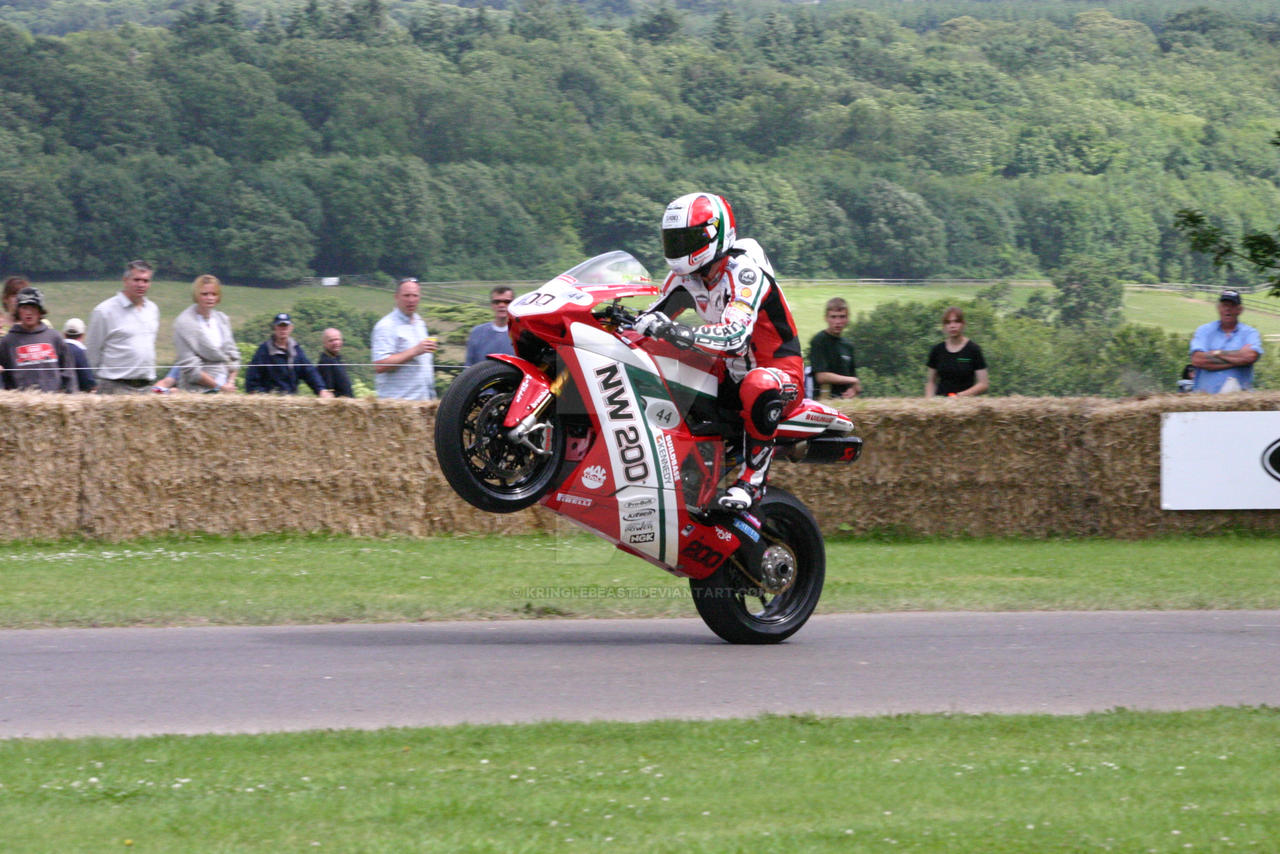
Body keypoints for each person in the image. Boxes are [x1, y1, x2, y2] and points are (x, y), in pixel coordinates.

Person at [633, 191, 803, 512]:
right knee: (655, 354)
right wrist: (613, 322)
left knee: (758, 383)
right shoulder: (688, 278)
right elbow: (652, 320)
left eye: (687, 239)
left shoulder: (744, 272)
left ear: (713, 234)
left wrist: (680, 332)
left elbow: (736, 337)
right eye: (674, 240)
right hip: (727, 369)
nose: (679, 248)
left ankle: (752, 481)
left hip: (778, 371)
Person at [86, 260, 160, 394]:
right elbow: (92, 352)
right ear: (125, 280)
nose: (141, 285)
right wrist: (98, 382)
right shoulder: (104, 311)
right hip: (115, 387)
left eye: (145, 281)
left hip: (146, 387)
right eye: (136, 279)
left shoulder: (153, 310)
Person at [172, 274, 240, 393]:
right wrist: (219, 387)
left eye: (214, 294)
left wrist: (230, 382)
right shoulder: (183, 323)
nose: (210, 298)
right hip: (195, 391)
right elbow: (190, 367)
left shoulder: (222, 319)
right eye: (205, 294)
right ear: (196, 296)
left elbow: (233, 354)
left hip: (225, 389)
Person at [372, 277, 437, 400]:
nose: (411, 300)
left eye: (415, 296)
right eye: (406, 296)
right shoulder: (386, 326)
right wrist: (415, 351)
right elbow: (380, 365)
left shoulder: (420, 323)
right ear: (396, 297)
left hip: (424, 402)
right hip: (399, 405)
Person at [0, 287, 76, 392]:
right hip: (21, 402)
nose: (28, 312)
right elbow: (4, 378)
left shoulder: (54, 337)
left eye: (33, 307)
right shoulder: (7, 342)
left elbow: (68, 373)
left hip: (54, 401)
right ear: (18, 311)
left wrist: (70, 396)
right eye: (24, 307)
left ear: (40, 311)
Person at [1189, 289, 1263, 393]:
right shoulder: (1204, 331)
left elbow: (1250, 356)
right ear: (1219, 308)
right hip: (1205, 399)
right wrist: (1239, 360)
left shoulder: (1250, 333)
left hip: (1240, 401)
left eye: (1232, 305)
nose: (1227, 309)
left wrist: (1216, 353)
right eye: (1224, 305)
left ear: (1240, 310)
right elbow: (1198, 360)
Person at [244, 313, 333, 397]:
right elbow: (252, 380)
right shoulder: (263, 351)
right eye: (280, 326)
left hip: (291, 399)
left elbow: (309, 371)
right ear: (274, 328)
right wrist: (261, 395)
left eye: (285, 326)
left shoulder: (296, 349)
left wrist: (321, 389)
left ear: (291, 328)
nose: (283, 330)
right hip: (270, 401)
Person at [925, 306, 989, 398]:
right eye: (948, 322)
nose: (952, 326)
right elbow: (930, 382)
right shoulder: (937, 350)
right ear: (944, 327)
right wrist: (929, 403)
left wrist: (958, 396)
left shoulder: (973, 350)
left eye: (956, 321)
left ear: (963, 324)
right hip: (940, 405)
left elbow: (983, 384)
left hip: (965, 404)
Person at [808, 297, 860, 399]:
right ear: (826, 318)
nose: (838, 321)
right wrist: (853, 381)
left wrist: (852, 390)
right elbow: (821, 376)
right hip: (824, 403)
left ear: (847, 319)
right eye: (833, 317)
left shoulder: (848, 345)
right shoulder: (819, 340)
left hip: (846, 403)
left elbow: (852, 377)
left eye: (842, 317)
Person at [464, 286, 516, 367]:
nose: (501, 305)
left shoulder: (521, 334)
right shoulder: (477, 333)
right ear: (492, 305)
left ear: (513, 304)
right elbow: (468, 367)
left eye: (506, 301)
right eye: (497, 302)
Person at [317, 327, 355, 398]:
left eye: (337, 339)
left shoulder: (337, 358)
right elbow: (329, 392)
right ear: (324, 343)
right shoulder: (325, 362)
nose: (335, 343)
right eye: (331, 340)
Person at [62, 317, 97, 393]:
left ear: (64, 334)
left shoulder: (57, 349)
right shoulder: (80, 352)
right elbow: (87, 380)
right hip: (76, 395)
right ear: (83, 335)